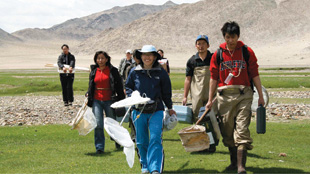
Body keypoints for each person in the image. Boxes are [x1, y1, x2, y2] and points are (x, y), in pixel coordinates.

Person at [206, 21, 265, 174]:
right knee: (227, 130)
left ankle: (241, 167)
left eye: (233, 37)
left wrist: (260, 96)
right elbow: (213, 78)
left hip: (244, 95)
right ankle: (233, 162)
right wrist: (209, 100)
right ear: (224, 37)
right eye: (227, 37)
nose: (230, 40)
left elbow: (255, 74)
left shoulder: (247, 52)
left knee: (242, 128)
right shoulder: (218, 54)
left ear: (238, 36)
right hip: (224, 96)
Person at [125, 45, 176, 174]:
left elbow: (166, 92)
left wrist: (170, 108)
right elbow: (128, 87)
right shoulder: (134, 71)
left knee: (155, 138)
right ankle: (145, 166)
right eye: (144, 54)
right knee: (141, 141)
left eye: (150, 55)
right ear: (140, 56)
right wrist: (132, 96)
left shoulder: (161, 73)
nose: (147, 57)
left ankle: (155, 169)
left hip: (156, 110)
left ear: (154, 57)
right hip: (138, 111)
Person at [86, 51, 125, 154]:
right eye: (98, 58)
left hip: (109, 100)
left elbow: (119, 87)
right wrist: (88, 94)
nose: (100, 60)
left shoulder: (113, 71)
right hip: (96, 100)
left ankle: (118, 141)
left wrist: (121, 100)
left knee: (112, 123)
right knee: (98, 124)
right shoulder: (94, 71)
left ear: (107, 59)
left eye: (102, 58)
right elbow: (91, 85)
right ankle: (99, 147)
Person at [182, 35, 214, 122]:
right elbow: (188, 79)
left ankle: (212, 136)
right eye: (199, 44)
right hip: (197, 95)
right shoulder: (192, 61)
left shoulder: (213, 59)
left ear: (208, 45)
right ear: (196, 46)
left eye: (203, 43)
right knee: (198, 118)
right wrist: (185, 96)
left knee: (212, 118)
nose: (201, 46)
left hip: (212, 94)